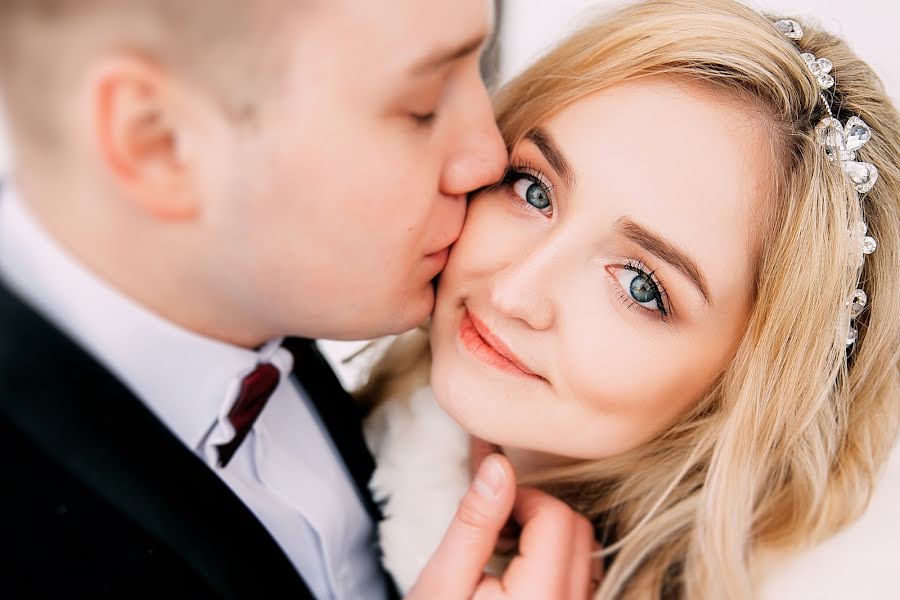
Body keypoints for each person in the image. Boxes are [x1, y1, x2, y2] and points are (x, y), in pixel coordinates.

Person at [0, 0, 597, 597]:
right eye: (421, 107)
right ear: (160, 141)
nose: (490, 157)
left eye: (482, 64)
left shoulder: (274, 285)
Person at [359, 0, 900, 597]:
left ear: (752, 386)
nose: (514, 291)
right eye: (534, 190)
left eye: (641, 285)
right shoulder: (292, 418)